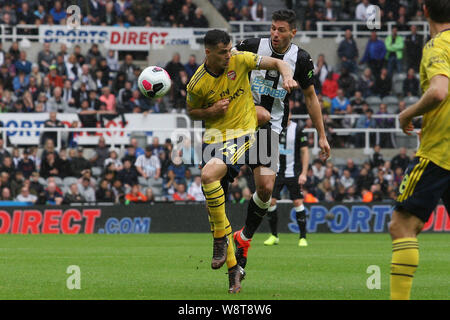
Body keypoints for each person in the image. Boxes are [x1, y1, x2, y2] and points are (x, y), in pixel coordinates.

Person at [186, 28, 299, 294]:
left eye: (229, 50)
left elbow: (278, 62)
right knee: (216, 210)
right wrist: (211, 110)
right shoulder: (196, 83)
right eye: (223, 52)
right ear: (209, 52)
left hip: (246, 135)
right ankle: (233, 268)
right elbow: (192, 111)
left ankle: (222, 241)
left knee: (209, 176)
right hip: (215, 138)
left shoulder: (240, 59)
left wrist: (285, 74)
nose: (229, 55)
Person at [232, 10, 330, 271]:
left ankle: (242, 239)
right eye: (273, 28)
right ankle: (219, 239)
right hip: (239, 120)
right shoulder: (253, 45)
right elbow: (224, 62)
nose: (275, 34)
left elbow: (311, 98)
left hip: (270, 127)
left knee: (265, 190)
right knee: (216, 173)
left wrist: (321, 135)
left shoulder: (302, 59)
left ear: (293, 32)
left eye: (282, 30)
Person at [390, 0, 450, 300]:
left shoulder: (437, 45)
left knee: (401, 225)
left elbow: (440, 91)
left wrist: (406, 114)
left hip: (440, 152)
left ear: (424, 10)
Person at [263, 113, 309, 246]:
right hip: (276, 172)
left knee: (298, 202)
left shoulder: (298, 129)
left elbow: (305, 151)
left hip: (293, 173)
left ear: (291, 115)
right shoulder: (273, 128)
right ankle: (274, 236)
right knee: (271, 202)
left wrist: (304, 173)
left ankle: (302, 237)